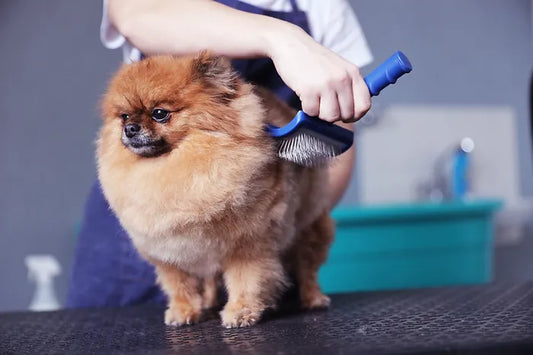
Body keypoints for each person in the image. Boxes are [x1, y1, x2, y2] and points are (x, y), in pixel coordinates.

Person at [66, 0, 373, 308]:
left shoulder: (323, 6)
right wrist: (282, 39)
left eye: (160, 114)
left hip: (269, 222)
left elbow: (334, 144)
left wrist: (283, 219)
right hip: (138, 238)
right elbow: (136, 16)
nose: (133, 127)